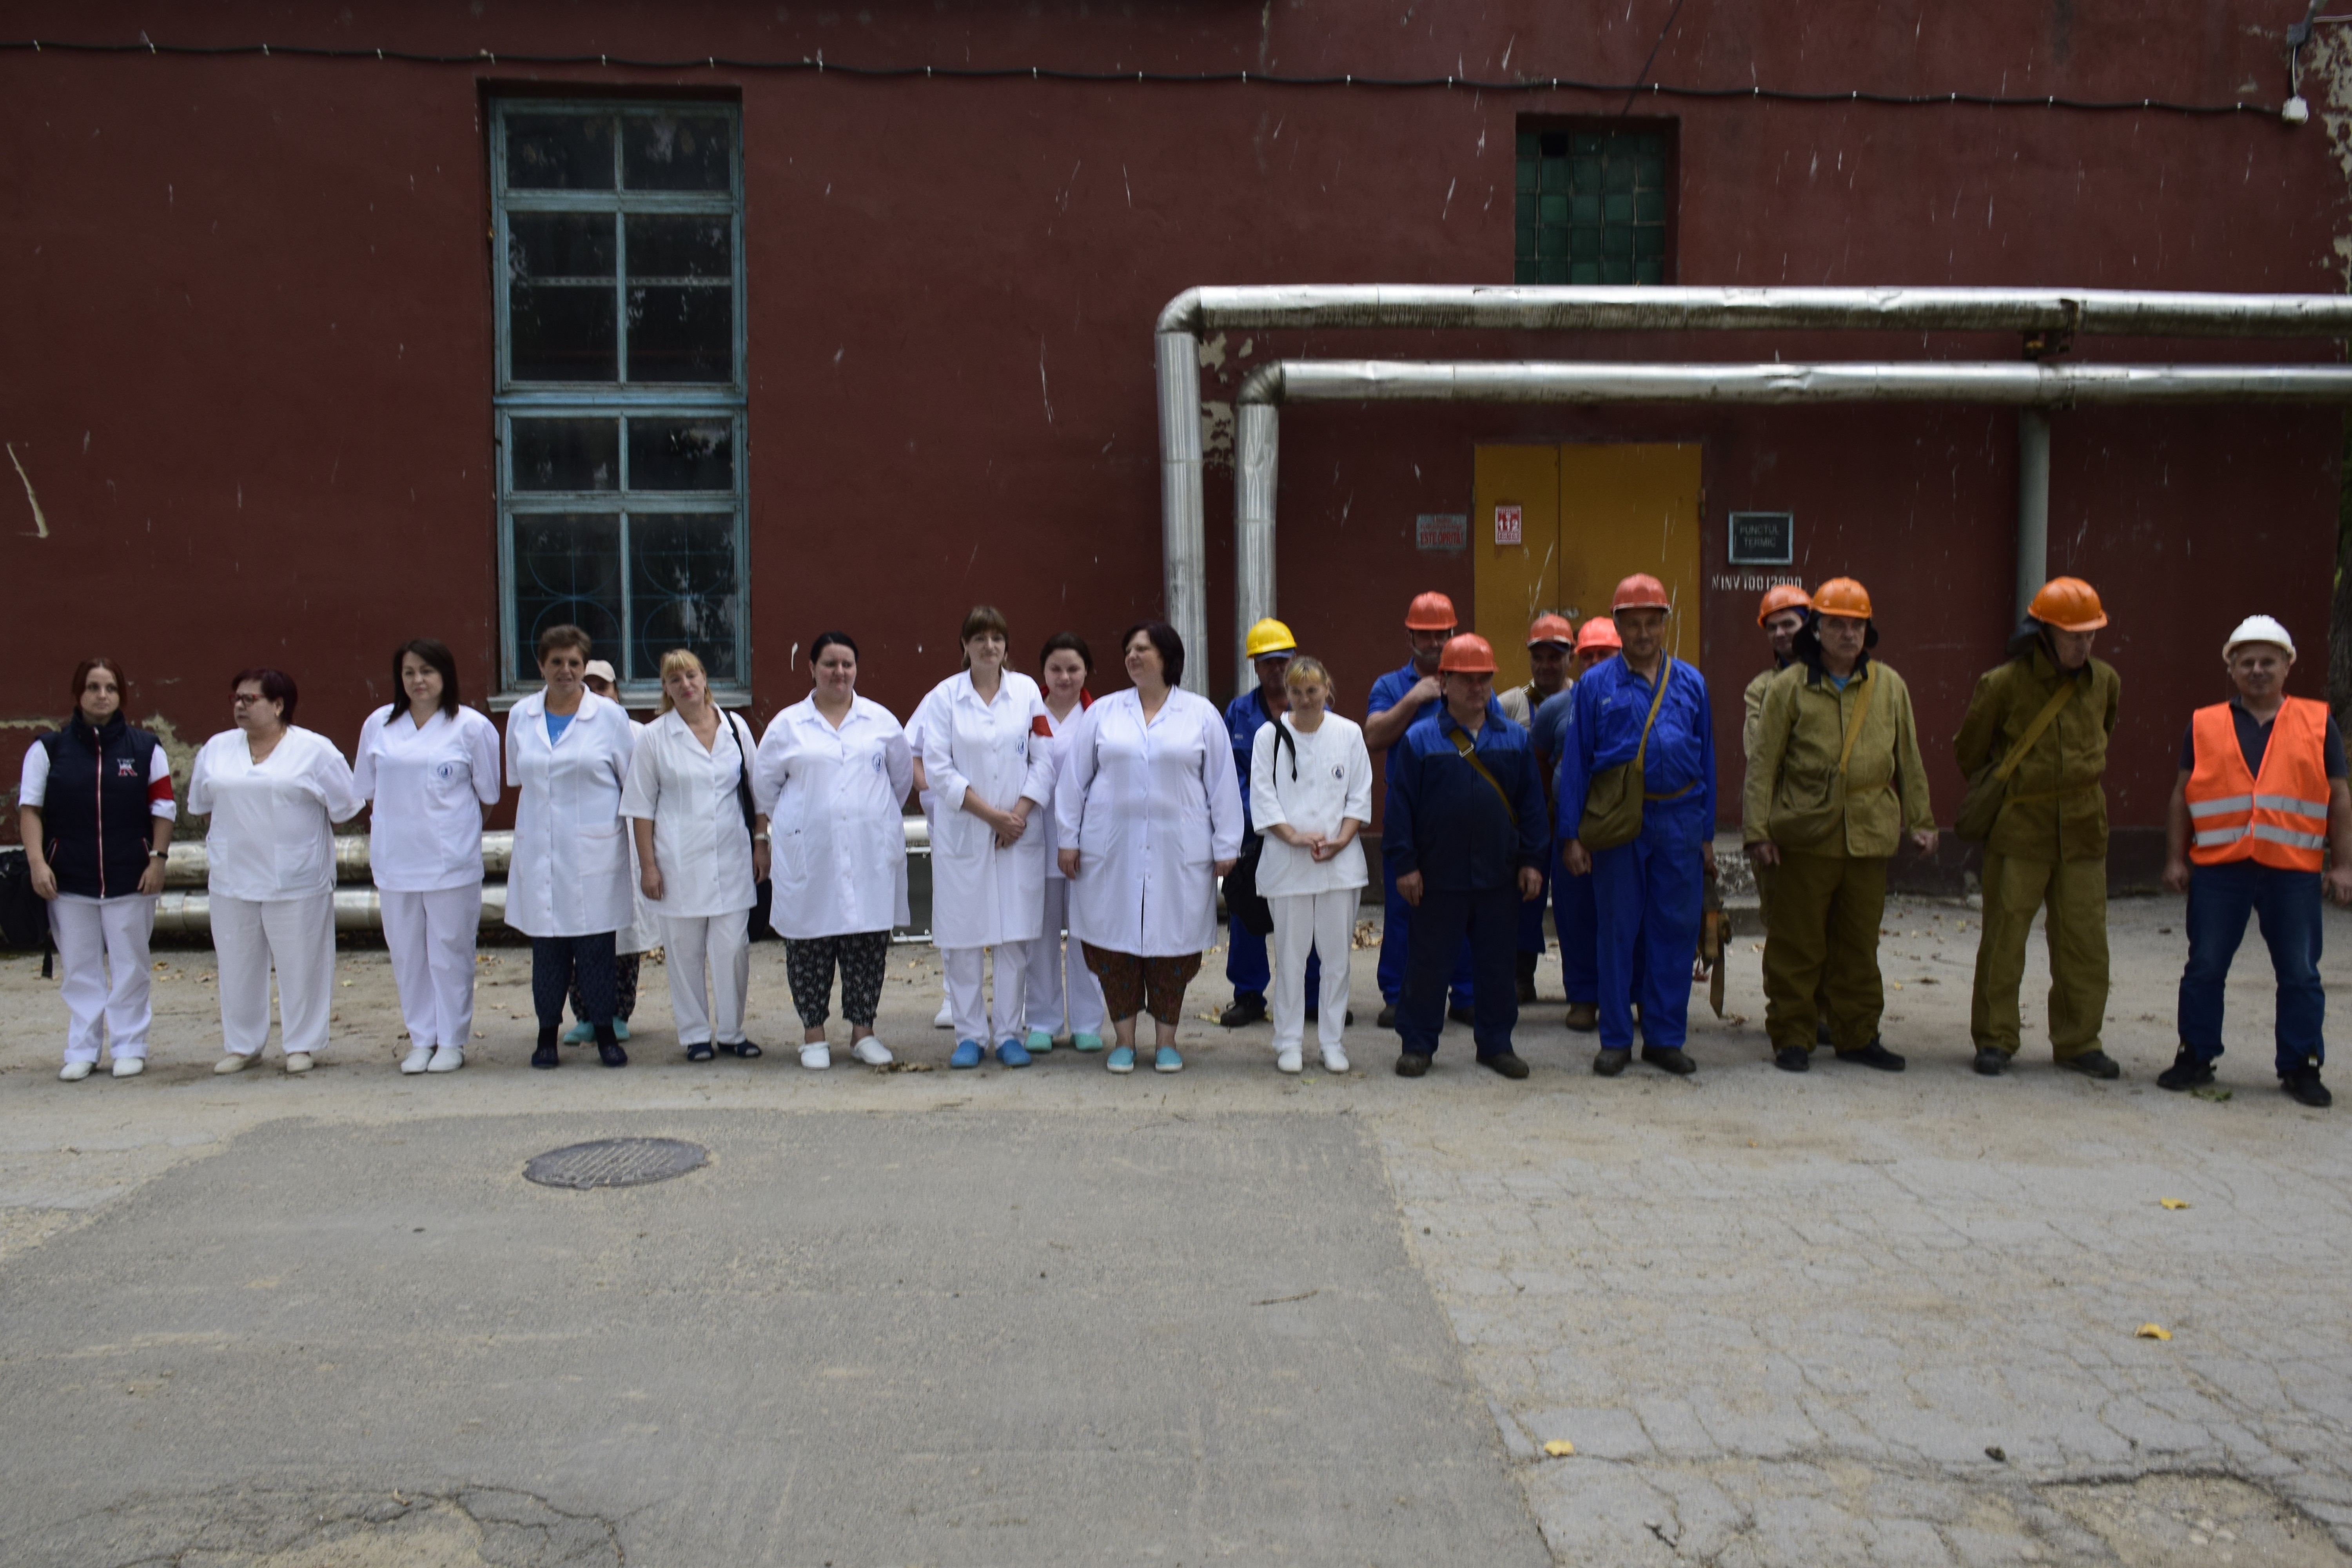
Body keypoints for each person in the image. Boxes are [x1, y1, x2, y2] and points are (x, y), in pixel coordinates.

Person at [1743, 578, 1936, 1073]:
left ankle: (1858, 1034)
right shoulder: (1788, 688)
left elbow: (1909, 759)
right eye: (1837, 624)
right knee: (1797, 943)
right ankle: (1792, 1034)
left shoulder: (1889, 686)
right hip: (1806, 834)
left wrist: (1922, 821)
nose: (1849, 634)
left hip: (1869, 835)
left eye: (1857, 625)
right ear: (1817, 629)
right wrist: (1758, 832)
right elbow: (1763, 764)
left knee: (1859, 945)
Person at [2158, 615, 2352, 1107]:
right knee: (2205, 965)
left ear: (2288, 666)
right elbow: (2181, 794)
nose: (2258, 670)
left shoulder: (2318, 722)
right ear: (2232, 669)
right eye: (2247, 663)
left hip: (2293, 870)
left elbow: (2339, 797)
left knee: (2300, 971)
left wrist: (2343, 866)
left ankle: (2301, 1065)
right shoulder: (2205, 723)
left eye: (2269, 661)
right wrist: (2176, 859)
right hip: (2221, 869)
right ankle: (2195, 1054)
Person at [1954, 578, 2124, 1080]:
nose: (2084, 645)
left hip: (2084, 830)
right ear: (2044, 632)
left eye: (2091, 634)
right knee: (2004, 938)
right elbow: (1970, 751)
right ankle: (1995, 1037)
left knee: (2084, 942)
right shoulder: (2002, 684)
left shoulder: (2105, 682)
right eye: (2074, 635)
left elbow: (2104, 732)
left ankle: (2079, 1041)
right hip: (2020, 830)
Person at [1056, 621, 1244, 1074]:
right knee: (1113, 948)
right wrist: (1068, 838)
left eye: (1143, 648)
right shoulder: (1103, 712)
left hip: (1179, 849)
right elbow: (1074, 781)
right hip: (1110, 850)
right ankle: (1123, 1041)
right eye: (1129, 649)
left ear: (1168, 656)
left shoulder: (1200, 715)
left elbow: (1222, 783)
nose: (1133, 656)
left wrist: (1227, 844)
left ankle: (1166, 1041)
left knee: (1173, 948)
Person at [1555, 575, 1717, 1078]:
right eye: (1633, 624)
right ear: (1618, 626)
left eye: (1652, 623)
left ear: (1665, 624)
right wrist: (1572, 835)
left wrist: (1707, 835)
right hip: (1619, 821)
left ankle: (1665, 1037)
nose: (1643, 633)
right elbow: (1576, 763)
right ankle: (1616, 1039)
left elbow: (1707, 761)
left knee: (1675, 929)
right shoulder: (1595, 685)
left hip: (1680, 818)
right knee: (1617, 928)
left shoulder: (1691, 682)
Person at [1384, 634, 1548, 1080]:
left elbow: (1532, 807)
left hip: (1499, 876)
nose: (1477, 688)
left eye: (1484, 679)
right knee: (1428, 964)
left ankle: (1496, 1045)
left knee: (1497, 966)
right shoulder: (1419, 740)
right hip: (1438, 877)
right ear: (1444, 681)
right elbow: (1400, 810)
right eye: (1467, 679)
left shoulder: (1515, 739)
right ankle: (1418, 1044)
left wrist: (1533, 862)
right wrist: (1406, 866)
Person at [187, 668, 363, 1074]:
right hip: (233, 876)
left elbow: (345, 808)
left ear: (279, 705)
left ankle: (302, 1044)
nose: (240, 706)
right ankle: (243, 1045)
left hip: (297, 878)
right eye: (236, 698)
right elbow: (204, 806)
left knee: (303, 964)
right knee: (237, 964)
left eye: (250, 699)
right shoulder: (216, 749)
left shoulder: (315, 751)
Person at [755, 631, 913, 1069]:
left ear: (857, 669)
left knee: (867, 942)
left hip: (868, 851)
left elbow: (899, 780)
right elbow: (765, 787)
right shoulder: (788, 725)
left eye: (847, 664)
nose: (839, 672)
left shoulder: (880, 721)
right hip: (812, 852)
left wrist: (866, 814)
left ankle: (864, 1033)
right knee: (809, 944)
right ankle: (814, 1036)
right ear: (812, 669)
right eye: (829, 664)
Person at [19, 658, 176, 1081]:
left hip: (131, 878)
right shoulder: (48, 749)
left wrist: (157, 859)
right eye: (93, 687)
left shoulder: (147, 749)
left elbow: (164, 809)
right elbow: (30, 809)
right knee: (79, 968)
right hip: (68, 881)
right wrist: (38, 863)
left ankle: (130, 1045)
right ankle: (83, 1049)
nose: (102, 695)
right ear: (79, 693)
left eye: (110, 688)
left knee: (131, 967)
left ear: (121, 695)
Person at [915, 606, 1056, 1069]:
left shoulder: (1027, 692)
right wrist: (993, 816)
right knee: (963, 940)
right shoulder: (944, 698)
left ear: (1006, 645)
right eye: (980, 638)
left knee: (1014, 939)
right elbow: (937, 768)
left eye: (997, 638)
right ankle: (970, 1036)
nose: (989, 647)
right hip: (967, 832)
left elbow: (1044, 760)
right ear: (965, 645)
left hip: (1016, 835)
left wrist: (1018, 815)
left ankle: (1010, 1033)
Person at [353, 640, 501, 1076]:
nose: (418, 680)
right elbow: (369, 789)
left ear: (445, 676)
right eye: (409, 673)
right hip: (396, 859)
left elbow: (487, 796)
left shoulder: (471, 727)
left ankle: (452, 1040)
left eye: (427, 672)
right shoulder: (379, 725)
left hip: (450, 862)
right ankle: (421, 1038)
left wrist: (453, 831)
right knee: (407, 953)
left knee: (450, 951)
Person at [623, 649, 764, 1063]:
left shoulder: (735, 727)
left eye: (691, 675)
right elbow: (640, 808)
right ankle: (695, 1035)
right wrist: (648, 867)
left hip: (732, 858)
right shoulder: (654, 737)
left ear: (705, 679)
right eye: (675, 679)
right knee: (684, 954)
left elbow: (757, 790)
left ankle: (732, 1032)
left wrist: (761, 843)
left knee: (733, 949)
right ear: (665, 689)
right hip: (677, 863)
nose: (685, 685)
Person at [505, 625, 637, 1069]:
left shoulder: (609, 717)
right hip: (540, 851)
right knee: (548, 951)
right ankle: (547, 1036)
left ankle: (605, 1034)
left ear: (585, 666)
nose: (566, 671)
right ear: (540, 665)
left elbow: (630, 781)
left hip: (594, 851)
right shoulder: (521, 716)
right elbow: (519, 777)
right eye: (556, 662)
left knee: (597, 949)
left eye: (574, 663)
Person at [1250, 654, 1372, 1074]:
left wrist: (1342, 839)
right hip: (1288, 863)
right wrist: (1294, 837)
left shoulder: (1349, 733)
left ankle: (1332, 1042)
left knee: (1337, 959)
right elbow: (1262, 795)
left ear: (1327, 690)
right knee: (1291, 958)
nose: (1305, 699)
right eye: (1297, 691)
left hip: (1340, 864)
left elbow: (1359, 794)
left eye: (1313, 691)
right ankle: (1288, 1042)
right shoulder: (1269, 736)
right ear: (1287, 692)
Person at [1363, 591, 1476, 1030]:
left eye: (1441, 634)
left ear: (1454, 633)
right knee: (1402, 909)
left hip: (1461, 811)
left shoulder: (1469, 679)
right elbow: (1374, 736)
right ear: (1409, 636)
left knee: (1463, 906)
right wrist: (1415, 698)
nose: (1434, 642)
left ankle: (1466, 994)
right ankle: (1399, 995)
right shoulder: (1390, 685)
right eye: (1425, 635)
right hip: (1407, 813)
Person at [1219, 617, 1328, 1027]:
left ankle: (1312, 997)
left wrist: (1301, 825)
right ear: (1255, 665)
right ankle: (1249, 996)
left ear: (1294, 659)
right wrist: (1263, 820)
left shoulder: (1317, 708)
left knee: (1310, 916)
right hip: (1255, 835)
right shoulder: (1239, 712)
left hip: (1306, 833)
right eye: (1267, 662)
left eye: (1283, 660)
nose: (1276, 668)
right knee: (1247, 914)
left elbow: (1327, 771)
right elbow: (1230, 775)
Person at [1744, 586, 1828, 1042]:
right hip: (1780, 821)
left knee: (1832, 924)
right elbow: (1760, 754)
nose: (1780, 633)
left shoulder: (1840, 679)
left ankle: (1827, 1012)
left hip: (1829, 824)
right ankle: (1790, 1013)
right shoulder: (1762, 689)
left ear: (1810, 625)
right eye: (1772, 627)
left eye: (1789, 624)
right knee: (1784, 926)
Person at [1020, 631, 1108, 1053]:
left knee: (1086, 935)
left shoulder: (1101, 716)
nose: (1065, 677)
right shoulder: (1026, 714)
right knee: (1039, 936)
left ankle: (1088, 1021)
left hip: (1086, 844)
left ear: (1087, 671)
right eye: (1056, 669)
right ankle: (1042, 1020)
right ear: (1043, 671)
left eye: (1074, 669)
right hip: (1035, 839)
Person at [1532, 616, 1621, 1031]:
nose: (1597, 662)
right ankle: (1583, 997)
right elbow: (1539, 762)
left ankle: (1631, 996)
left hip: (1622, 828)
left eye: (1606, 654)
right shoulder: (1556, 708)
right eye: (1590, 656)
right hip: (1572, 827)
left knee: (1624, 916)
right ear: (1578, 660)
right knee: (1575, 916)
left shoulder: (1636, 701)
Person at [564, 660, 657, 1044]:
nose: (595, 694)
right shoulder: (563, 730)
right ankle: (584, 1014)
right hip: (576, 845)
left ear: (617, 692)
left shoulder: (636, 733)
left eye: (602, 687)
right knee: (578, 931)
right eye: (588, 686)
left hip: (626, 841)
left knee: (623, 934)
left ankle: (618, 1012)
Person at [1501, 613, 1577, 1001]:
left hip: (1570, 821)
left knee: (1576, 904)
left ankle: (1581, 983)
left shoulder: (1585, 698)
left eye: (1555, 657)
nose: (1547, 665)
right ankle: (1520, 975)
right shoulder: (1510, 703)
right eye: (1539, 657)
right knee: (1525, 898)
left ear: (1571, 657)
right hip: (1526, 823)